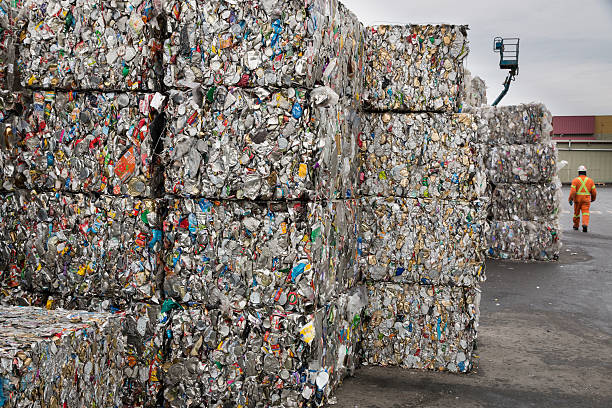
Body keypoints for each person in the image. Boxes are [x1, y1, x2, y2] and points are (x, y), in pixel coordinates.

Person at [569, 165, 597, 232]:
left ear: (578, 172)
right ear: (585, 172)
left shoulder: (575, 180)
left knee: (576, 213)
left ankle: (576, 226)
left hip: (577, 200)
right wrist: (593, 199)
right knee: (585, 213)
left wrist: (570, 199)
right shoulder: (590, 181)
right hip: (586, 200)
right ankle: (585, 224)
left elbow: (573, 191)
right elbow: (594, 192)